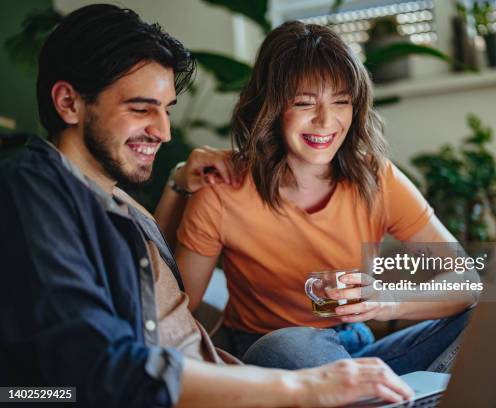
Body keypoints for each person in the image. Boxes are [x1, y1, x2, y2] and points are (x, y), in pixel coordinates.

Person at [0, 5, 414, 407]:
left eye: (166, 110)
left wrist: (178, 185)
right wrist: (301, 388)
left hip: (238, 377)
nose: (163, 131)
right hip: (255, 374)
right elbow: (83, 372)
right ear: (68, 103)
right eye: (141, 108)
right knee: (291, 349)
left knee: (472, 332)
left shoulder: (112, 199)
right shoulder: (32, 193)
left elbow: (164, 296)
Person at [166, 21, 476, 371]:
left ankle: (377, 395)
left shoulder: (376, 177)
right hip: (277, 353)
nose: (326, 120)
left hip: (355, 348)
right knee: (286, 344)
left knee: (489, 314)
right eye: (304, 102)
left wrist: (389, 301)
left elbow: (467, 279)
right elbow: (176, 310)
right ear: (269, 107)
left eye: (341, 101)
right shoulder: (222, 191)